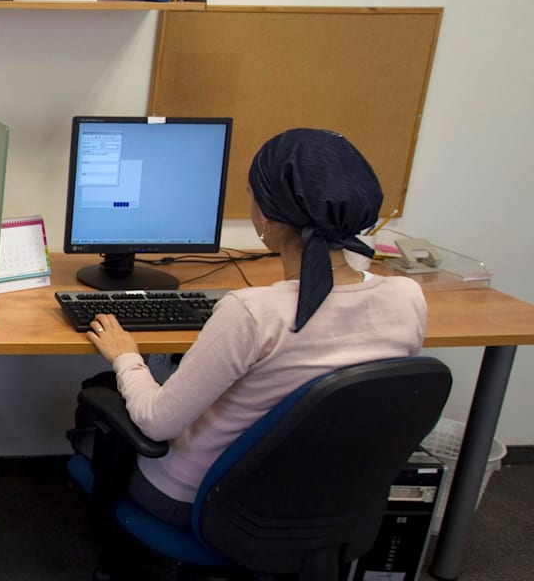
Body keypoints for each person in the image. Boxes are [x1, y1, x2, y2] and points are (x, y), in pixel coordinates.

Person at [82, 128, 426, 528]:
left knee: (103, 388)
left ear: (268, 218)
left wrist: (127, 356)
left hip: (203, 501)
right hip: (327, 501)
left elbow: (157, 421)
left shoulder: (253, 313)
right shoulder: (407, 297)